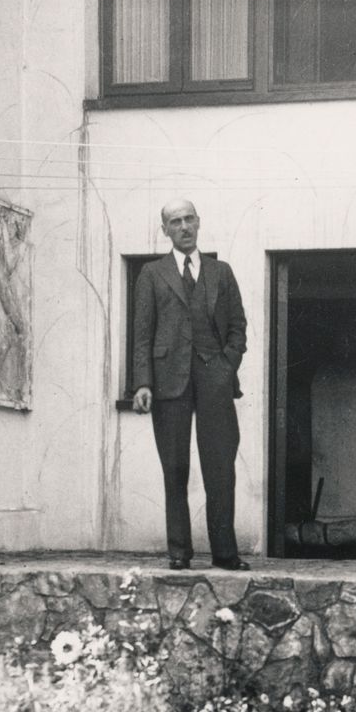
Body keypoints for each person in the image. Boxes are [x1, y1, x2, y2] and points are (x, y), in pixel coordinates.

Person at [131, 199, 249, 572]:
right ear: (164, 229)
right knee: (175, 467)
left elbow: (238, 328)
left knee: (220, 468)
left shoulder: (221, 272)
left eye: (189, 219)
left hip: (214, 379)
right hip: (168, 382)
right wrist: (143, 383)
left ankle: (225, 553)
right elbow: (142, 334)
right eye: (175, 221)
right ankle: (179, 552)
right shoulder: (151, 274)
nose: (183, 227)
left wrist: (225, 368)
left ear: (199, 222)